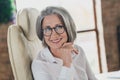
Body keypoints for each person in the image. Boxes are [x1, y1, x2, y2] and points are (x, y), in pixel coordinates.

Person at [31, 6, 98, 80]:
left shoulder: (78, 51)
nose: (54, 34)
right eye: (47, 29)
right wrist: (66, 63)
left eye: (59, 27)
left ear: (68, 28)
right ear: (42, 33)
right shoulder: (39, 64)